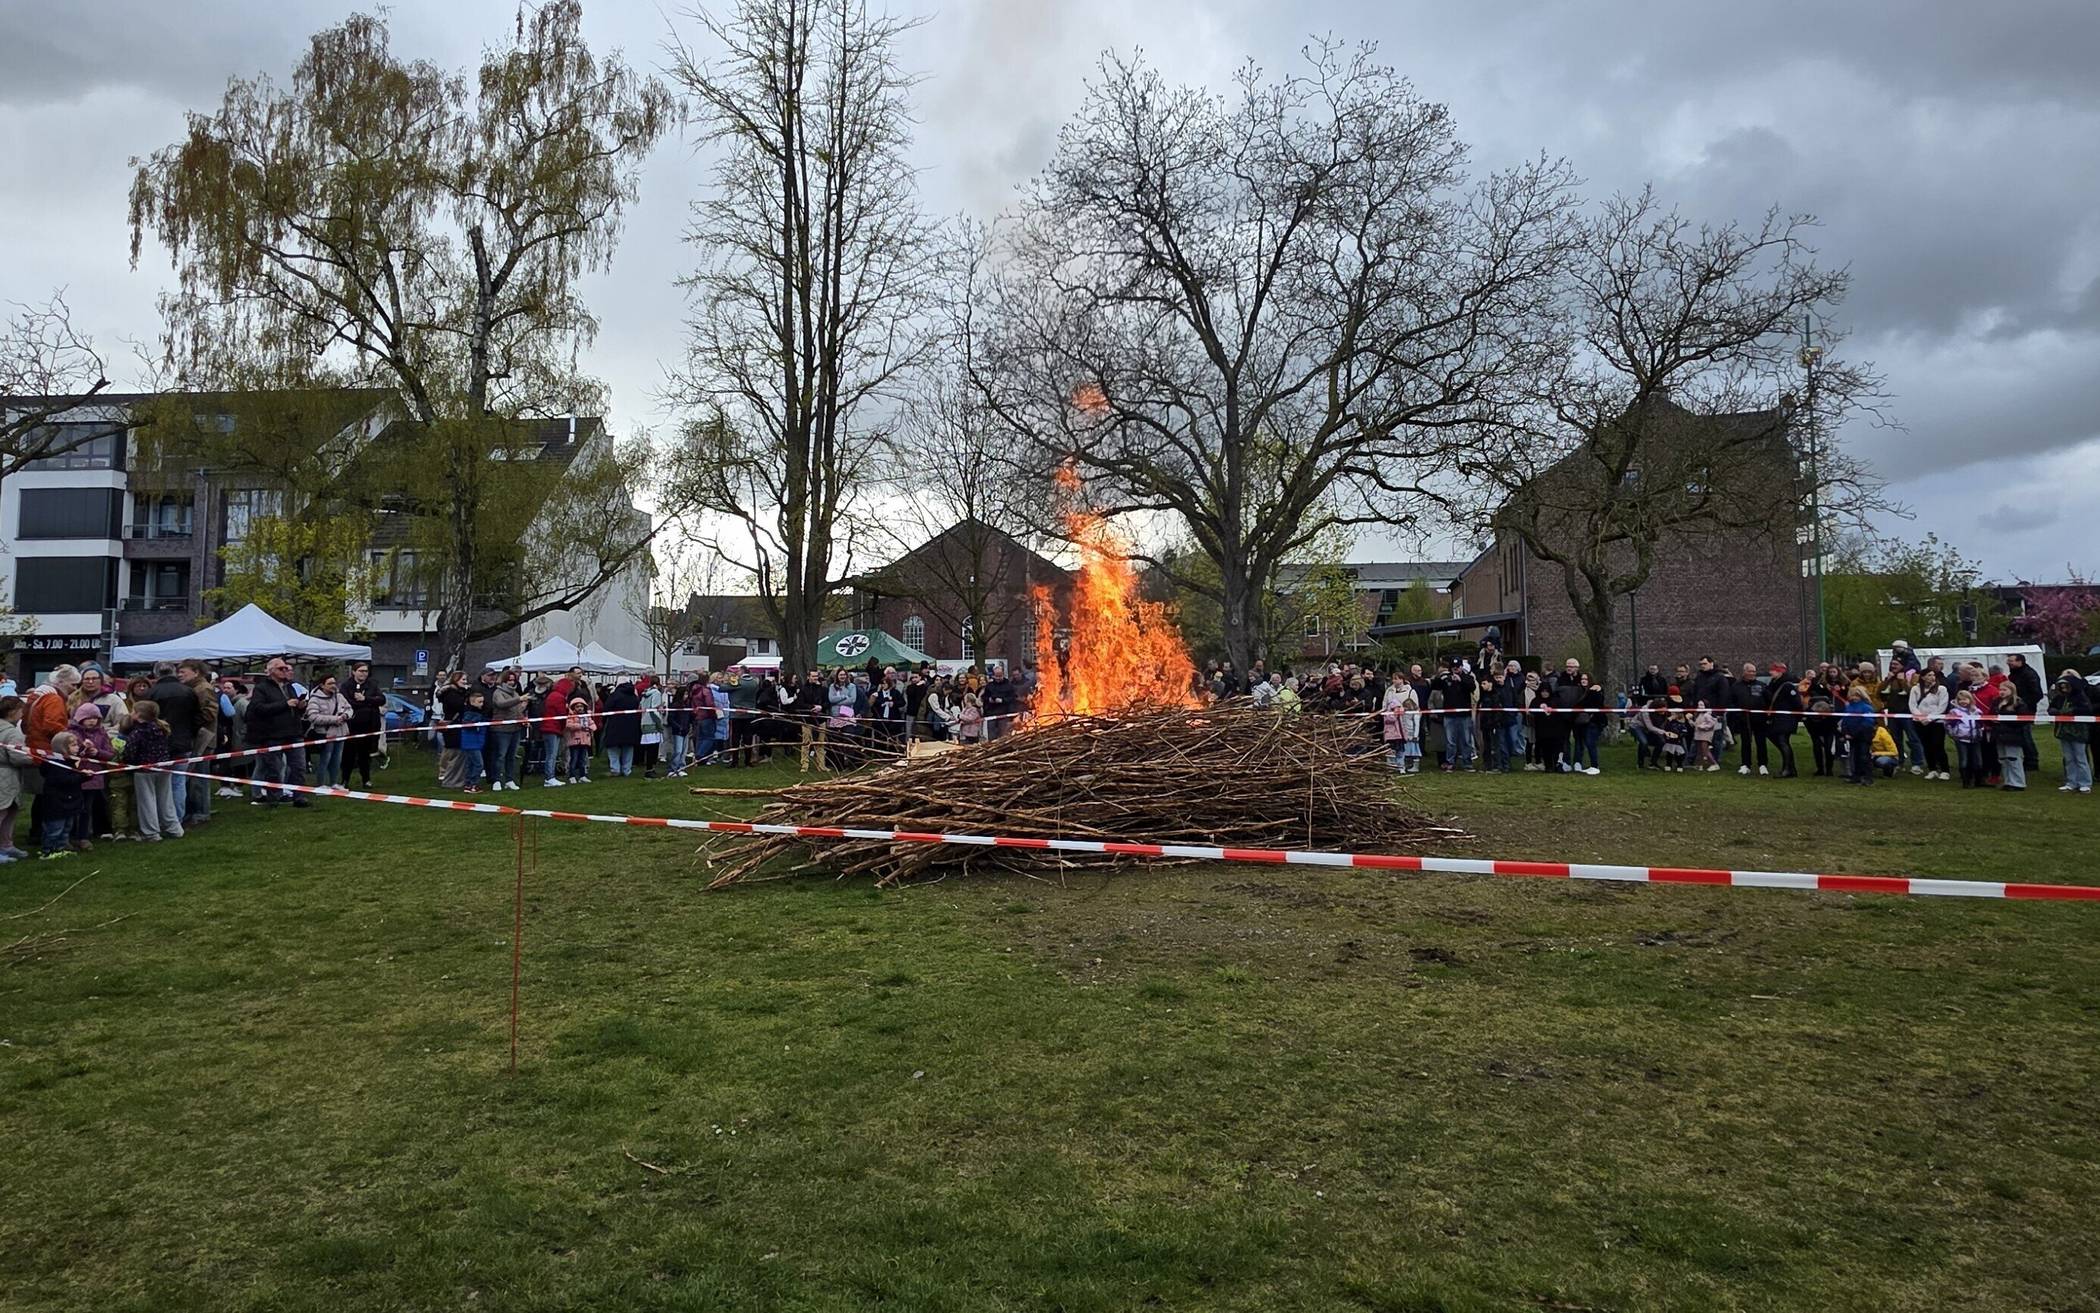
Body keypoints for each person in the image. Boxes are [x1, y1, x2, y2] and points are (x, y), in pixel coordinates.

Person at [246, 657, 311, 808]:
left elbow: (296, 708)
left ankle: (299, 796)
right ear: (271, 671)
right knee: (274, 769)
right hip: (273, 734)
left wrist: (301, 706)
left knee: (299, 767)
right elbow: (258, 709)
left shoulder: (290, 687)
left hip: (294, 732)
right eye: (281, 669)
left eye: (286, 668)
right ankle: (274, 798)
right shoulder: (262, 688)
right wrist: (284, 704)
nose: (285, 671)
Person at [122, 699, 183, 842]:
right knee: (166, 799)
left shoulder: (137, 732)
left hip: (144, 770)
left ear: (137, 715)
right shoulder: (162, 729)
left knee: (147, 801)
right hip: (164, 767)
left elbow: (130, 752)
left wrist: (128, 763)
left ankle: (151, 832)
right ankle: (174, 828)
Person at [68, 702, 116, 841]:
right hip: (76, 775)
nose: (92, 721)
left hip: (94, 777)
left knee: (86, 809)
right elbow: (68, 753)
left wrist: (97, 752)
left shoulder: (102, 733)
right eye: (88, 718)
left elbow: (110, 753)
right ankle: (69, 836)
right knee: (73, 807)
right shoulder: (72, 733)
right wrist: (83, 749)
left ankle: (83, 836)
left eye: (95, 718)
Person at [38, 730, 88, 858]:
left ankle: (60, 848)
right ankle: (48, 850)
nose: (77, 747)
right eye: (73, 745)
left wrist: (85, 776)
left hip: (69, 801)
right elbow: (63, 780)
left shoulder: (70, 762)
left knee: (66, 828)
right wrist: (81, 776)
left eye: (76, 744)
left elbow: (73, 779)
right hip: (57, 802)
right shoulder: (56, 764)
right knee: (54, 829)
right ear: (62, 747)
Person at [303, 674, 352, 788]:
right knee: (325, 759)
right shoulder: (315, 699)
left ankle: (334, 782)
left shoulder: (339, 696)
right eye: (330, 683)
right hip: (325, 733)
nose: (333, 686)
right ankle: (321, 784)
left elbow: (349, 708)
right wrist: (334, 719)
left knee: (337, 759)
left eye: (334, 683)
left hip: (341, 732)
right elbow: (313, 717)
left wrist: (345, 715)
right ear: (322, 685)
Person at [0, 696, 32, 863]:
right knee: (4, 811)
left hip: (7, 774)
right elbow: (17, 757)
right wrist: (33, 759)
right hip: (7, 775)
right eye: (21, 711)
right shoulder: (12, 732)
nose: (22, 714)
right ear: (13, 712)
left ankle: (6, 845)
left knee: (10, 811)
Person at [2051, 669, 2092, 794]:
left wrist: (2070, 711)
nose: (2063, 688)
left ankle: (2085, 783)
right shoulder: (2059, 698)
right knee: (2068, 758)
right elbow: (2052, 708)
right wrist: (2054, 711)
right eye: (2061, 686)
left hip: (2078, 731)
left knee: (2080, 757)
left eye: (2065, 686)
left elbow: (2087, 710)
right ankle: (2071, 782)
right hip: (2063, 730)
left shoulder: (2080, 696)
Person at [1908, 670, 1951, 781]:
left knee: (1938, 745)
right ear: (1922, 677)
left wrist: (1930, 718)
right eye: (1929, 675)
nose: (1932, 677)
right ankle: (1932, 769)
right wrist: (1921, 717)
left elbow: (1942, 706)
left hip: (1936, 722)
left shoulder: (1941, 689)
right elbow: (1912, 705)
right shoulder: (1915, 689)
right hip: (1920, 721)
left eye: (1933, 675)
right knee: (1927, 746)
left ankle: (1945, 770)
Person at [485, 670, 524, 791]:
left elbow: (517, 709)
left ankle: (509, 779)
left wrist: (522, 717)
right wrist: (519, 699)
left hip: (515, 728)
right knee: (500, 755)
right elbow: (501, 704)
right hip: (501, 729)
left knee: (511, 756)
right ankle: (496, 780)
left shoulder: (515, 693)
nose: (511, 682)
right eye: (509, 680)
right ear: (504, 680)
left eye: (513, 680)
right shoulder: (498, 692)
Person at [1762, 663, 1800, 779]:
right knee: (1779, 740)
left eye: (1773, 671)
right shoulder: (1774, 684)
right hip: (1778, 718)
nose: (1770, 673)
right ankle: (1790, 767)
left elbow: (1796, 703)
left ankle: (1788, 769)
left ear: (1780, 672)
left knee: (1783, 741)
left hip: (1785, 718)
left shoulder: (1787, 686)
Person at [600, 679, 641, 776]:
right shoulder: (634, 696)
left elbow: (606, 709)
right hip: (631, 725)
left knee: (613, 748)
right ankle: (627, 770)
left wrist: (603, 721)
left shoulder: (615, 695)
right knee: (628, 748)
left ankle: (615, 769)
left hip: (615, 725)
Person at [1993, 686, 2031, 791]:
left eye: (2004, 690)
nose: (2001, 692)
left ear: (2012, 690)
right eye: (2000, 690)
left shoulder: (2018, 703)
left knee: (2013, 759)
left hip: (2013, 735)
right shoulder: (1997, 702)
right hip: (1999, 734)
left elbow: (2023, 720)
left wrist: (2005, 721)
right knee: (2003, 759)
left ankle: (2018, 783)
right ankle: (2008, 781)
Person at [1949, 690, 1989, 788]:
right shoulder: (1954, 712)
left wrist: (1980, 726)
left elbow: (1981, 723)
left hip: (1975, 738)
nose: (1963, 701)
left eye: (1965, 699)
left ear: (1970, 700)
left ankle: (1978, 781)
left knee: (1978, 761)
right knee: (1964, 761)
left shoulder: (1976, 711)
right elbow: (1948, 724)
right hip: (1961, 738)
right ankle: (1966, 782)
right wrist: (1954, 731)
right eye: (1960, 700)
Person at [1840, 684, 1878, 786]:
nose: (1854, 698)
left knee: (1864, 756)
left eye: (1857, 695)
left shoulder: (1867, 707)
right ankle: (1856, 776)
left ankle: (1868, 777)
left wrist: (1854, 733)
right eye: (1852, 695)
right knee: (1854, 756)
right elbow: (1845, 720)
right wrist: (1845, 732)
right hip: (1851, 735)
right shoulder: (1848, 707)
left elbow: (1868, 723)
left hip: (1864, 735)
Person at [456, 689, 489, 793]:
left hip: (477, 742)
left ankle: (469, 784)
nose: (482, 704)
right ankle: (473, 783)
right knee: (478, 764)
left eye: (482, 701)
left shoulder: (481, 713)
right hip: (471, 743)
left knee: (471, 764)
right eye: (479, 702)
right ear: (472, 702)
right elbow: (467, 724)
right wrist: (477, 722)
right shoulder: (469, 713)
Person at [636, 677, 666, 778]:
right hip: (653, 722)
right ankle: (650, 770)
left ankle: (649, 769)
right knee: (653, 749)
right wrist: (659, 723)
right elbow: (654, 709)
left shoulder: (645, 693)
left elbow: (641, 707)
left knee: (649, 748)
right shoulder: (656, 693)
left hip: (644, 721)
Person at [563, 697, 595, 783]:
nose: (580, 708)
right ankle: (572, 776)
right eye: (577, 706)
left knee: (583, 759)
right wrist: (580, 726)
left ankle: (582, 776)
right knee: (574, 759)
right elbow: (568, 725)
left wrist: (590, 727)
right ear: (573, 707)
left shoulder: (587, 716)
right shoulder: (571, 716)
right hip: (574, 741)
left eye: (581, 706)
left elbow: (593, 725)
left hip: (584, 741)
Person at [1692, 701, 1719, 772]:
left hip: (1705, 734)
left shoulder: (1707, 715)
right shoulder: (1698, 714)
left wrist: (1703, 727)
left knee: (1705, 750)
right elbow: (1696, 724)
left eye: (1701, 705)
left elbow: (1712, 724)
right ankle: (1699, 765)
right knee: (1699, 750)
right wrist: (1691, 722)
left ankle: (1714, 764)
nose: (1699, 706)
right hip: (1698, 734)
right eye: (1698, 705)